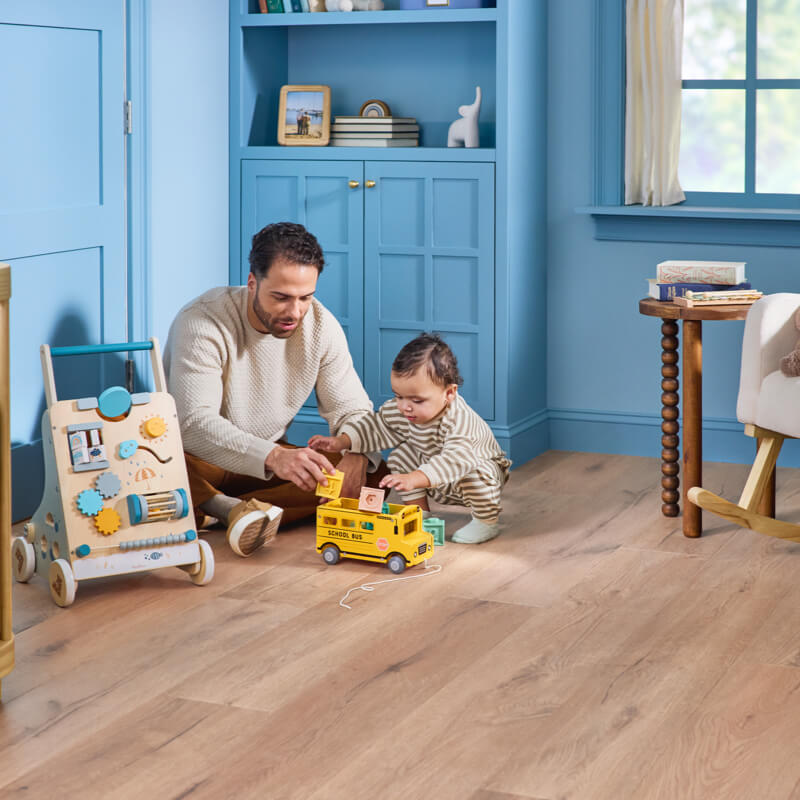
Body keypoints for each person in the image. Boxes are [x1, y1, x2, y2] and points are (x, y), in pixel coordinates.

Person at [163, 222, 385, 557]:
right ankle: (225, 508)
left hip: (262, 466)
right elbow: (193, 423)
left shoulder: (322, 327)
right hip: (199, 459)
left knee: (373, 471)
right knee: (147, 461)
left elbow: (353, 409)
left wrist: (356, 454)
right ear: (252, 283)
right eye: (280, 297)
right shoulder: (202, 321)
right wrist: (274, 456)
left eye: (305, 298)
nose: (294, 312)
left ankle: (219, 510)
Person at [309, 333, 511, 544]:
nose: (405, 406)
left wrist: (414, 478)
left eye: (416, 400)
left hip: (475, 473)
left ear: (449, 393)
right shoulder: (405, 410)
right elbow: (376, 427)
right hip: (434, 475)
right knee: (401, 456)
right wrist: (343, 441)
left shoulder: (460, 421)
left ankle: (486, 521)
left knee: (478, 471)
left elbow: (456, 460)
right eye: (398, 396)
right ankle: (420, 512)